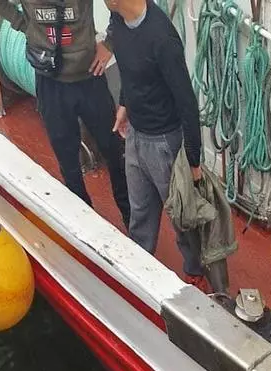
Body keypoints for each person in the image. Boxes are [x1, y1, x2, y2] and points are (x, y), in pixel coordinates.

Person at [0, 0, 130, 227]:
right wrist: (24, 24)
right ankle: (87, 225)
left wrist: (110, 42)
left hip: (89, 78)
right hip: (50, 85)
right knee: (68, 161)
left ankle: (131, 219)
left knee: (113, 151)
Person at [104, 0, 207, 287]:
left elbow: (187, 102)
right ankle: (138, 269)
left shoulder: (162, 39)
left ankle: (197, 272)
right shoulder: (118, 20)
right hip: (136, 134)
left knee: (181, 218)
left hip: (164, 143)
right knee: (140, 211)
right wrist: (125, 104)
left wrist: (193, 161)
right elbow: (127, 66)